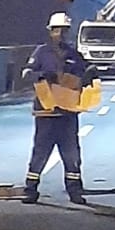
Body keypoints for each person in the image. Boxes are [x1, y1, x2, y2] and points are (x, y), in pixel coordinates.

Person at [21, 12, 97, 206]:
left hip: (68, 113)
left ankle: (74, 190)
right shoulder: (41, 52)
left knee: (71, 153)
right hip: (46, 112)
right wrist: (42, 75)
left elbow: (87, 70)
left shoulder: (74, 54)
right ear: (50, 31)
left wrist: (90, 73)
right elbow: (26, 73)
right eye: (57, 30)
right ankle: (30, 189)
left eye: (64, 30)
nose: (60, 34)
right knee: (40, 152)